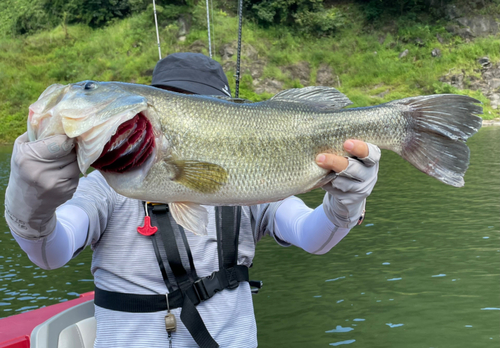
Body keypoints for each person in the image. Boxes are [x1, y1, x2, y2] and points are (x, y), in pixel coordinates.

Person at [5, 52, 380, 348]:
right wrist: (30, 203)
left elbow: (313, 236)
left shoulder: (254, 182)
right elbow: (49, 252)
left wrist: (346, 203)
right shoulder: (104, 187)